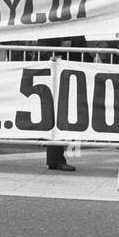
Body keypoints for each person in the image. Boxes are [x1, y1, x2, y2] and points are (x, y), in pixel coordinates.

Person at [37, 34, 87, 171]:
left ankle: (57, 157)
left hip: (71, 78)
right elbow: (44, 53)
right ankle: (55, 158)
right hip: (52, 80)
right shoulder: (50, 30)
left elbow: (85, 55)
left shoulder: (78, 33)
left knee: (63, 119)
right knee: (57, 118)